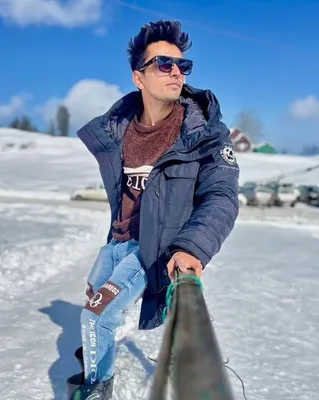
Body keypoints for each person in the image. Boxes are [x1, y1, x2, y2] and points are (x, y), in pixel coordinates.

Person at [66, 19, 240, 400]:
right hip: (117, 244)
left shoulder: (204, 132)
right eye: (164, 63)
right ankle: (99, 352)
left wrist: (192, 247)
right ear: (138, 77)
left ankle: (97, 389)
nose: (177, 72)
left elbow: (222, 195)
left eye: (182, 65)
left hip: (154, 250)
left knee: (96, 315)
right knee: (93, 296)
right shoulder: (119, 130)